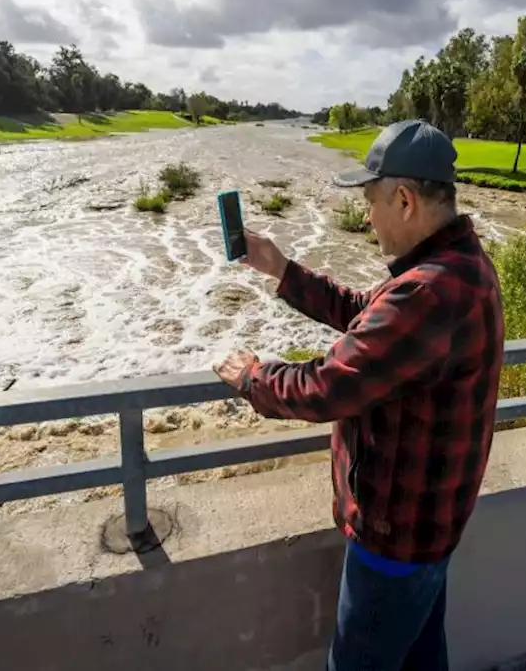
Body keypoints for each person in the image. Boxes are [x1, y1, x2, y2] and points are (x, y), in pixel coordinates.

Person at [213, 119, 506, 671]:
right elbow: (371, 320)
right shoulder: (462, 266)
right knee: (420, 660)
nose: (366, 216)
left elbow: (327, 387)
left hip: (394, 539)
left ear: (404, 199)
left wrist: (253, 376)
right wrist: (280, 269)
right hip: (432, 529)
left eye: (371, 201)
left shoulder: (426, 291)